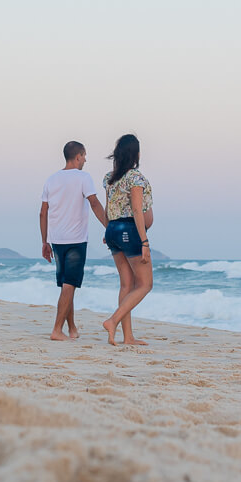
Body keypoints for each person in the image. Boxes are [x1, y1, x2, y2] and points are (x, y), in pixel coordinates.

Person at [40, 141, 107, 341]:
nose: (85, 160)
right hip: (76, 240)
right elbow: (94, 203)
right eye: (84, 156)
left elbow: (43, 212)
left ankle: (71, 328)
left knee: (66, 285)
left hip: (57, 240)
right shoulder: (83, 177)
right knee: (70, 285)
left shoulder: (51, 179)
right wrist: (109, 226)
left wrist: (44, 241)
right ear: (78, 156)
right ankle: (56, 330)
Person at [101, 133, 154, 346]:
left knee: (126, 284)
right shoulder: (135, 177)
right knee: (145, 284)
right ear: (136, 154)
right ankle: (113, 321)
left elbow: (108, 208)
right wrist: (144, 242)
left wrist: (108, 231)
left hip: (113, 229)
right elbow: (137, 210)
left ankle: (128, 337)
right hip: (129, 231)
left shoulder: (110, 178)